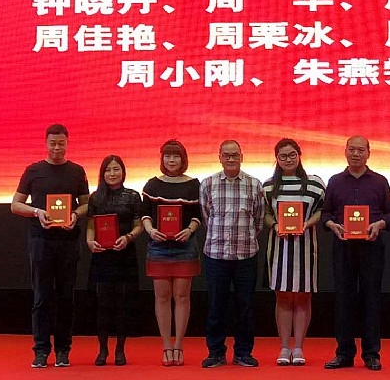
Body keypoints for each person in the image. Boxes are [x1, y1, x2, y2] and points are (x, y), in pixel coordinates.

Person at [10, 123, 89, 369]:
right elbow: (15, 205)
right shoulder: (33, 171)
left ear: (67, 143)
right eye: (53, 143)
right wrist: (37, 212)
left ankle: (63, 350)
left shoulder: (77, 171)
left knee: (66, 297)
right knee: (42, 297)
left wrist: (75, 214)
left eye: (61, 143)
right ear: (46, 143)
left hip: (68, 242)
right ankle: (41, 351)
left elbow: (87, 204)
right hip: (41, 242)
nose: (57, 147)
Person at [321, 135, 390, 371]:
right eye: (352, 149)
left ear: (368, 153)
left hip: (371, 247)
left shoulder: (380, 181)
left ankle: (371, 354)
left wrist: (379, 225)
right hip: (343, 247)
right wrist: (332, 225)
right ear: (345, 151)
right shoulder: (335, 181)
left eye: (360, 150)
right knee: (343, 299)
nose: (355, 154)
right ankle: (344, 353)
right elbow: (325, 214)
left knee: (371, 299)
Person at [199, 140, 264, 368]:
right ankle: (216, 352)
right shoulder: (208, 184)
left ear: (242, 157)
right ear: (219, 157)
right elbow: (206, 217)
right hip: (216, 255)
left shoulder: (254, 184)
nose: (230, 159)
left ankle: (243, 352)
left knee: (245, 306)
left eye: (235, 155)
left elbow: (258, 220)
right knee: (216, 306)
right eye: (226, 155)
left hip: (246, 255)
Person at [262, 138, 326, 366]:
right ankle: (284, 347)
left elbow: (323, 210)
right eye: (283, 156)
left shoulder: (315, 184)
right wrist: (275, 225)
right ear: (277, 159)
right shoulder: (268, 186)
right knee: (282, 296)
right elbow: (266, 214)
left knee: (302, 297)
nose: (288, 160)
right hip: (279, 248)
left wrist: (307, 224)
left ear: (299, 156)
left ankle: (298, 347)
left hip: (305, 248)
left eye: (292, 155)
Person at [141, 140, 201, 367]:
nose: (171, 160)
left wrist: (189, 230)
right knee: (162, 297)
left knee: (182, 296)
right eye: (167, 156)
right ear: (162, 159)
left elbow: (198, 215)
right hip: (158, 247)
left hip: (184, 247)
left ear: (183, 159)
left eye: (176, 156)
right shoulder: (152, 185)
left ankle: (178, 345)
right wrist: (150, 230)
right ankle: (166, 345)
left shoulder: (193, 184)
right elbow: (145, 214)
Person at [85, 155, 143, 366]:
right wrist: (89, 242)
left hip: (124, 254)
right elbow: (90, 225)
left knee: (122, 303)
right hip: (102, 256)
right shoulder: (95, 197)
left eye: (116, 169)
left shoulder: (133, 196)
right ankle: (102, 349)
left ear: (123, 172)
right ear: (102, 173)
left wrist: (128, 238)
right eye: (108, 170)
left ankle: (120, 349)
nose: (112, 173)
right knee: (102, 304)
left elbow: (139, 225)